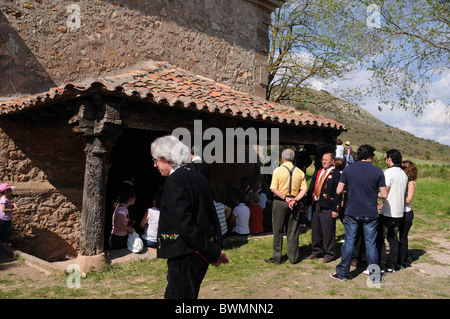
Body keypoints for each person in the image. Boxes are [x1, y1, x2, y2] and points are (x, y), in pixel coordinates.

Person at [151, 135, 229, 299]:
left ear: (166, 158)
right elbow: (209, 217)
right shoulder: (197, 176)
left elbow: (185, 226)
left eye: (156, 160)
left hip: (184, 255)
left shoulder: (174, 181)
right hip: (195, 256)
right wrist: (212, 250)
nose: (155, 164)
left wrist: (212, 252)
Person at [331, 145, 388, 281]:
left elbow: (339, 191)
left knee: (349, 242)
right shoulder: (378, 171)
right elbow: (384, 194)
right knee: (371, 244)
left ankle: (343, 273)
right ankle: (374, 275)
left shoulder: (348, 169)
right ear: (370, 156)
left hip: (352, 211)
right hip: (370, 212)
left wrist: (350, 189)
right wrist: (373, 193)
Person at [265, 148, 308, 265]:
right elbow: (304, 189)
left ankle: (277, 257)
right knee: (293, 230)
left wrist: (285, 198)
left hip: (280, 202)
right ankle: (293, 257)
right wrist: (295, 199)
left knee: (278, 230)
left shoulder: (277, 171)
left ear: (282, 158)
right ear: (293, 159)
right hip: (294, 202)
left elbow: (273, 188)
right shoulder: (300, 172)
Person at [307, 153, 342, 263]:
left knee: (328, 230)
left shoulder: (336, 174)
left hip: (328, 205)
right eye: (323, 159)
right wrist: (306, 203)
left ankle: (329, 253)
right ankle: (316, 250)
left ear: (332, 161)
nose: (324, 162)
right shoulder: (318, 171)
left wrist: (336, 209)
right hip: (316, 204)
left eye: (326, 160)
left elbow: (338, 193)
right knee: (316, 229)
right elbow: (311, 187)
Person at [377, 149, 408, 273]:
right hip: (399, 211)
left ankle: (382, 264)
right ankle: (392, 264)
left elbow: (385, 191)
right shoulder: (403, 174)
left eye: (385, 158)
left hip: (388, 211)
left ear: (389, 158)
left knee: (380, 238)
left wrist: (374, 193)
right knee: (393, 238)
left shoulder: (389, 173)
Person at [399, 160, 418, 268]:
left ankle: (403, 260)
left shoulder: (410, 183)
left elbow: (408, 199)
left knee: (403, 237)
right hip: (398, 211)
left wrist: (395, 196)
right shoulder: (401, 180)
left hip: (406, 213)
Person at [109, 185, 136, 250]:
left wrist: (128, 223)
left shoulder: (122, 208)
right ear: (130, 198)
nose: (135, 198)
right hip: (118, 239)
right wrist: (128, 229)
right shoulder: (122, 209)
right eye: (134, 197)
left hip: (118, 237)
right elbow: (117, 224)